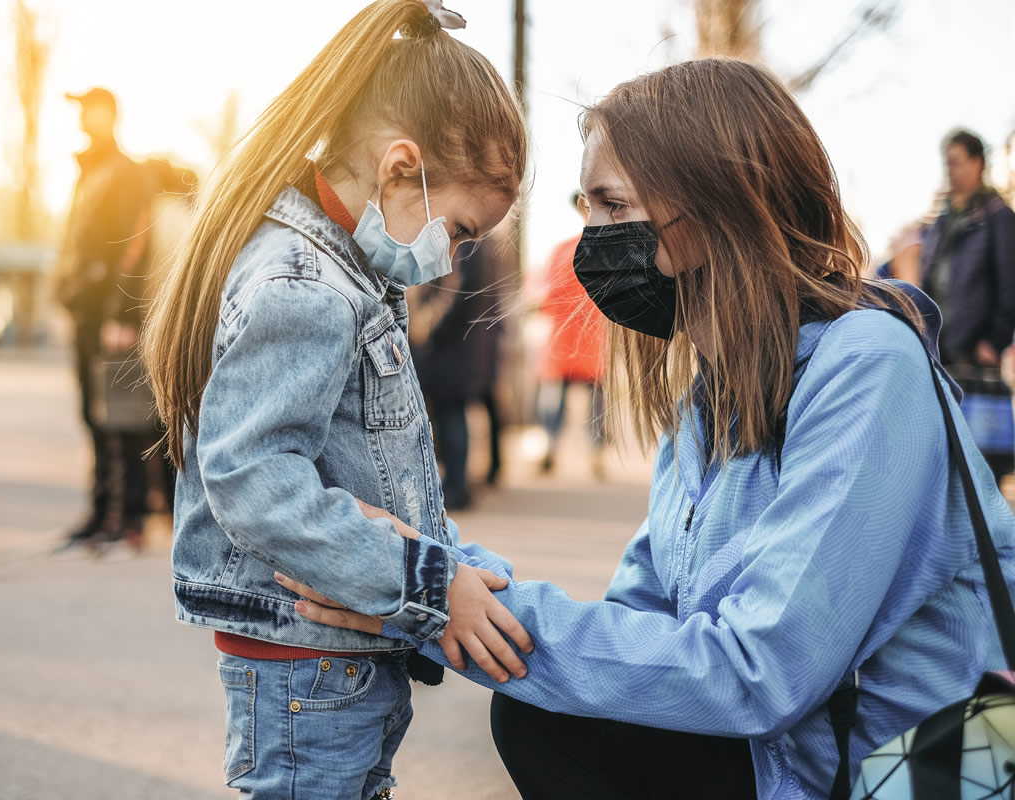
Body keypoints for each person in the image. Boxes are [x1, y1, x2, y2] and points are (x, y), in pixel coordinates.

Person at [279, 58, 1015, 800]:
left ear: (714, 203)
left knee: (559, 721)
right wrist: (438, 578)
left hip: (909, 773)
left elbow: (762, 671)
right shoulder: (710, 398)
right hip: (795, 758)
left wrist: (438, 601)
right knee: (546, 712)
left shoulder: (867, 367)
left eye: (611, 204)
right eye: (585, 206)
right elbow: (638, 624)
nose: (590, 236)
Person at [140, 2, 531, 797]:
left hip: (329, 659)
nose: (452, 256)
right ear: (399, 166)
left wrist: (453, 571)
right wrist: (428, 584)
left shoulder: (349, 274)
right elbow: (252, 479)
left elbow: (382, 478)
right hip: (307, 669)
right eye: (459, 230)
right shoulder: (308, 286)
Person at [51, 87, 156, 550]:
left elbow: (137, 242)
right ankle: (99, 512)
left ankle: (129, 520)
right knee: (92, 417)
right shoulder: (85, 171)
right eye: (79, 111)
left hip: (112, 315)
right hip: (84, 312)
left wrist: (123, 311)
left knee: (120, 417)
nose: (82, 119)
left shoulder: (126, 173)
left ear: (108, 114)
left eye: (89, 110)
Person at [409, 237, 506, 509]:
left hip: (451, 346)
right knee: (452, 413)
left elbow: (457, 294)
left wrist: (429, 326)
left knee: (451, 414)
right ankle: (455, 483)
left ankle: (455, 486)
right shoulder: (482, 244)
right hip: (463, 346)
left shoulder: (467, 244)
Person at [920, 130, 1015, 367]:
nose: (951, 170)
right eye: (947, 163)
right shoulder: (940, 221)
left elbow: (1010, 284)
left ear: (977, 163)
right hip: (938, 350)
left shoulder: (998, 217)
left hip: (976, 354)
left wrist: (995, 341)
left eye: (957, 163)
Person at [532, 190, 608, 477]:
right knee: (596, 407)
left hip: (564, 342)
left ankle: (551, 445)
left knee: (555, 401)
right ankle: (596, 452)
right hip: (593, 343)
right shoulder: (606, 252)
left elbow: (547, 295)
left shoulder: (562, 251)